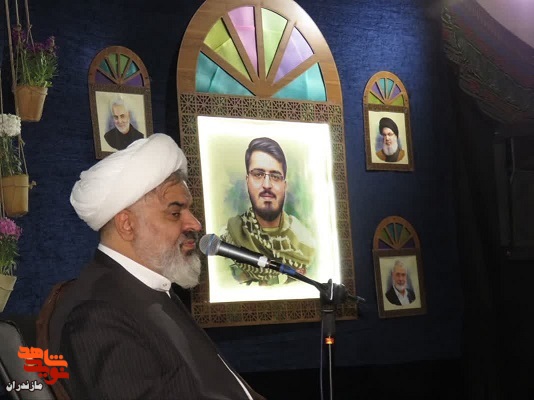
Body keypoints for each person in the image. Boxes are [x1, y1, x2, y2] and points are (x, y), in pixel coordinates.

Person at [49, 134, 264, 399]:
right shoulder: (97, 315)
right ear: (127, 224)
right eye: (175, 213)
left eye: (189, 210)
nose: (195, 224)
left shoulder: (148, 288)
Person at [220, 137, 315, 286]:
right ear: (247, 181)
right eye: (258, 174)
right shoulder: (228, 238)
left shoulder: (306, 242)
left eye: (275, 176)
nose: (267, 185)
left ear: (284, 185)